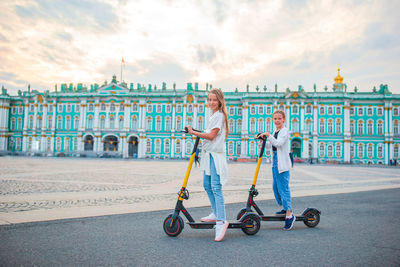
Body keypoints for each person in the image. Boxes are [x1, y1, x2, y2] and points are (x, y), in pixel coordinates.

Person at [186, 88, 229, 241]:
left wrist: (193, 132)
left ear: (219, 101)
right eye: (209, 99)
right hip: (209, 155)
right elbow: (208, 137)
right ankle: (216, 213)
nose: (211, 102)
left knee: (216, 187)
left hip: (215, 157)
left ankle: (221, 221)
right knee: (206, 184)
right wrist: (196, 135)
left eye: (214, 100)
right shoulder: (213, 116)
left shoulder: (219, 116)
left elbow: (211, 136)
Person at [258, 110, 295, 230]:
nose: (277, 120)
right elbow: (271, 145)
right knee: (276, 187)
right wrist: (262, 140)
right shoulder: (275, 131)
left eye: (279, 118)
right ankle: (284, 207)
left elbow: (279, 143)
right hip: (275, 162)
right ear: (273, 120)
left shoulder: (284, 131)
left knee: (283, 188)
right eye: (275, 119)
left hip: (282, 163)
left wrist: (268, 136)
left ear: (283, 119)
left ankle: (289, 215)